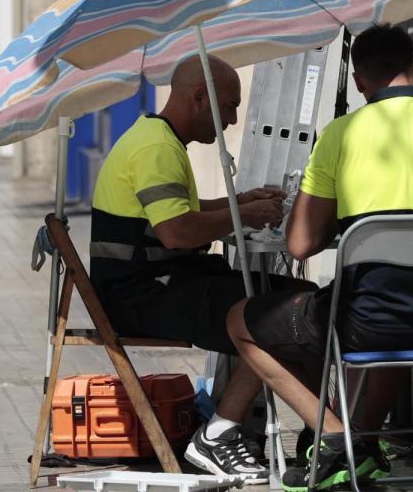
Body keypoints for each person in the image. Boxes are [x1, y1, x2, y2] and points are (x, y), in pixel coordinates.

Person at [226, 24, 413, 491]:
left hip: (364, 324)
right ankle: (357, 445)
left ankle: (335, 439)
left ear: (360, 80)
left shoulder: (340, 136)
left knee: (241, 320)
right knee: (391, 316)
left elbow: (300, 244)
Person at [89, 54, 315, 482]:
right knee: (274, 315)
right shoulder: (157, 148)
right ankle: (219, 434)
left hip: (162, 283)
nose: (231, 120)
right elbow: (177, 231)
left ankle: (314, 427)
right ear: (199, 98)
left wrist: (240, 201)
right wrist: (243, 217)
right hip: (143, 295)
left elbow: (179, 212)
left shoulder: (157, 138)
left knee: (301, 299)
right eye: (228, 106)